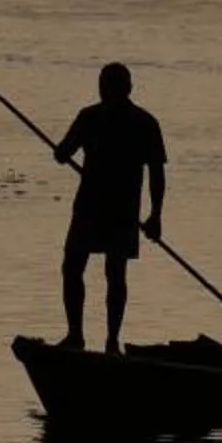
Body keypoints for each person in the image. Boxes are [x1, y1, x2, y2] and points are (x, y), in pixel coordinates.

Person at [52, 62, 166, 354]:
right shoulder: (131, 120)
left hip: (113, 209)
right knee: (84, 269)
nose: (106, 91)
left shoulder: (134, 122)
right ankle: (90, 338)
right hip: (101, 207)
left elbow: (156, 172)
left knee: (104, 272)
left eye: (108, 86)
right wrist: (154, 215)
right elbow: (65, 151)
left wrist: (155, 215)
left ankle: (98, 339)